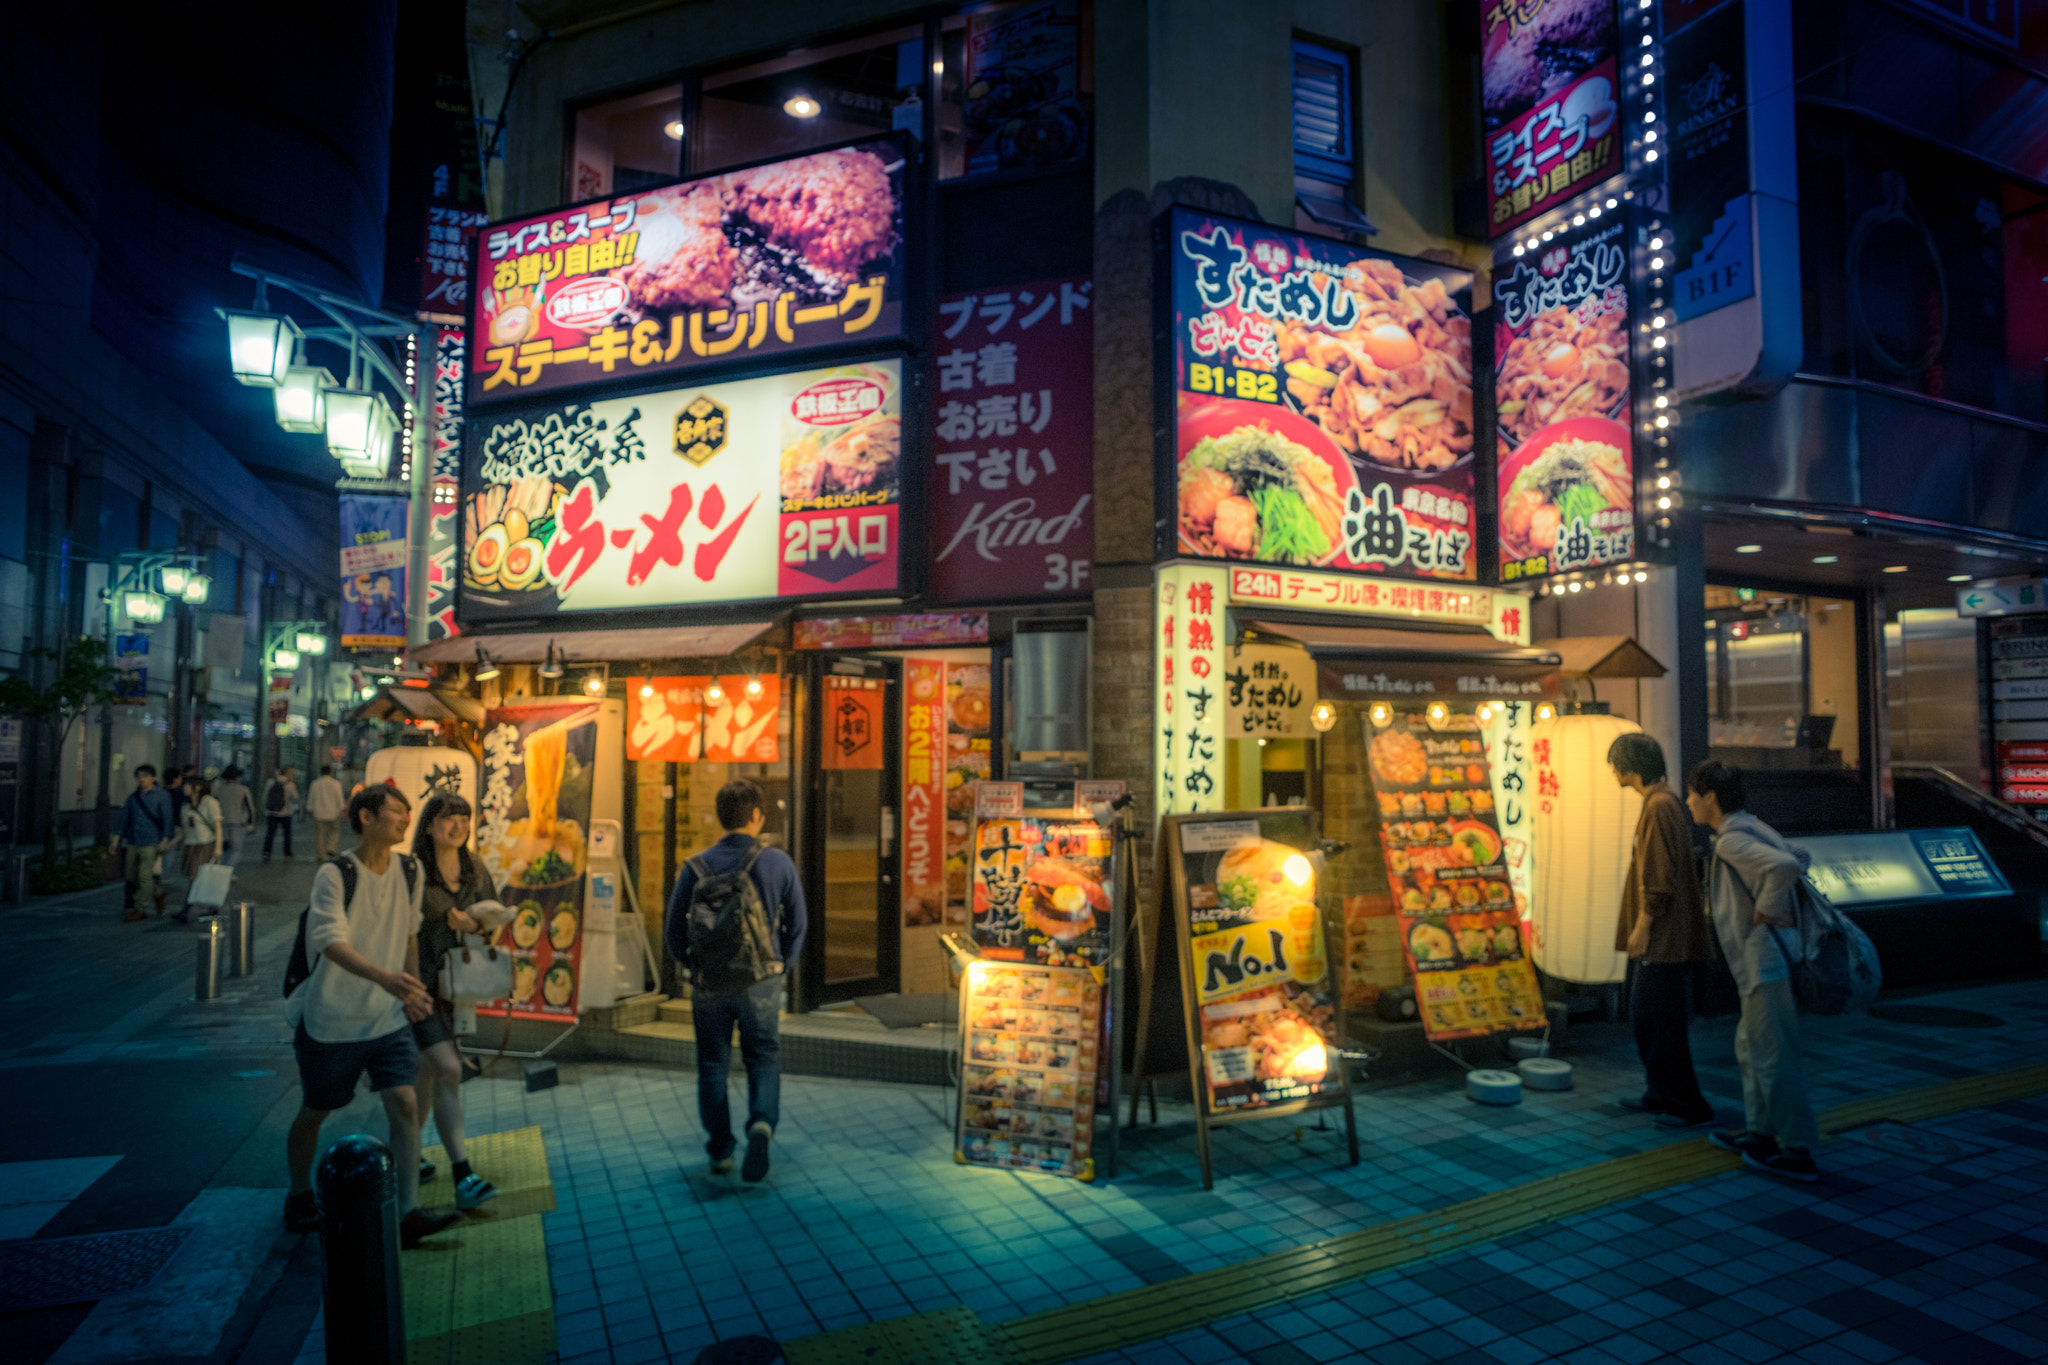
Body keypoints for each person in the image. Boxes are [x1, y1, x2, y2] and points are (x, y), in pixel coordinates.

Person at [282, 784, 461, 1248]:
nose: (405, 819)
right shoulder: (335, 873)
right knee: (315, 1111)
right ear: (365, 817)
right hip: (332, 1019)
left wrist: (410, 988)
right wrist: (386, 979)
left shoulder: (410, 869)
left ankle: (407, 1212)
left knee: (403, 1104)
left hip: (387, 1019)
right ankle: (299, 1194)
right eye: (397, 811)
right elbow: (328, 941)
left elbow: (407, 933)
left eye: (407, 812)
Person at [664, 779, 807, 1183]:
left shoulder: (695, 867)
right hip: (761, 981)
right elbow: (798, 921)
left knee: (712, 1064)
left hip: (709, 985)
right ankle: (761, 1123)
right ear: (757, 816)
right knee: (762, 1054)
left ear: (721, 817)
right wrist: (783, 964)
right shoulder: (777, 862)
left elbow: (674, 932)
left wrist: (693, 968)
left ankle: (721, 1150)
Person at [1688, 761, 1822, 1182]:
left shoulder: (1730, 841)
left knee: (1773, 1056)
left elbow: (1783, 868)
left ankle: (1796, 1150)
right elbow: (1798, 856)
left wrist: (1767, 909)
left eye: (1693, 793)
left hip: (1763, 961)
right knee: (1752, 1050)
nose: (1688, 801)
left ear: (1710, 798)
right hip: (1766, 961)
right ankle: (1760, 1133)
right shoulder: (1752, 826)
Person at [1609, 732, 1717, 1130]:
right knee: (1651, 1019)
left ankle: (1687, 1104)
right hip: (1666, 937)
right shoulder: (1664, 801)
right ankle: (1660, 1093)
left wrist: (1642, 928)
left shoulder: (1658, 806)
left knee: (1658, 1021)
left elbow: (1658, 878)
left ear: (1631, 766)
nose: (1612, 771)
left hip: (1663, 939)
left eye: (1615, 763)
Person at [409, 792, 499, 1211]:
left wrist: (476, 925)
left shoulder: (475, 869)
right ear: (429, 825)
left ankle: (408, 1153)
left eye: (464, 817)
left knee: (427, 1075)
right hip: (418, 985)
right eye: (449, 818)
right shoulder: (412, 872)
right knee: (446, 1069)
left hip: (457, 987)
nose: (458, 825)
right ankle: (462, 1174)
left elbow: (491, 928)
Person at [110, 765, 176, 923]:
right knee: (131, 875)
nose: (141, 779)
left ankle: (141, 909)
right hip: (133, 840)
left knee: (145, 875)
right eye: (139, 776)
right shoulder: (133, 798)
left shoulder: (162, 796)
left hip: (151, 841)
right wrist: (116, 838)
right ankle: (158, 893)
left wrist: (165, 838)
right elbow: (124, 819)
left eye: (145, 776)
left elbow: (167, 818)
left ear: (153, 778)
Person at [172, 774, 223, 922]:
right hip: (191, 845)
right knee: (198, 878)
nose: (184, 788)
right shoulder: (186, 805)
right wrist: (171, 844)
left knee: (196, 878)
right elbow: (184, 830)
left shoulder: (209, 802)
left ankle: (186, 910)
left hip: (206, 845)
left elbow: (218, 827)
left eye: (187, 785)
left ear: (197, 787)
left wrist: (218, 848)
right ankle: (212, 908)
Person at [215, 765, 256, 868]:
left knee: (225, 848)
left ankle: (223, 869)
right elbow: (250, 809)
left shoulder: (219, 790)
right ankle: (228, 870)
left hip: (222, 823)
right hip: (238, 823)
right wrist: (251, 824)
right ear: (237, 777)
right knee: (236, 849)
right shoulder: (243, 790)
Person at [307, 765, 347, 862]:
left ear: (321, 772)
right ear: (330, 772)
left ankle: (321, 854)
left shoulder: (315, 784)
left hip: (318, 813)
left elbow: (311, 798)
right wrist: (342, 809)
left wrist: (310, 810)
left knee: (320, 835)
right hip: (333, 813)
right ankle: (331, 848)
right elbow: (340, 799)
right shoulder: (336, 784)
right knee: (335, 832)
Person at [263, 766, 299, 861]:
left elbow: (265, 796)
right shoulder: (290, 784)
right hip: (285, 813)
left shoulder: (271, 782)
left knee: (270, 834)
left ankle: (267, 852)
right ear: (287, 773)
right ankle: (287, 853)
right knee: (287, 834)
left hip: (272, 812)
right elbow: (295, 797)